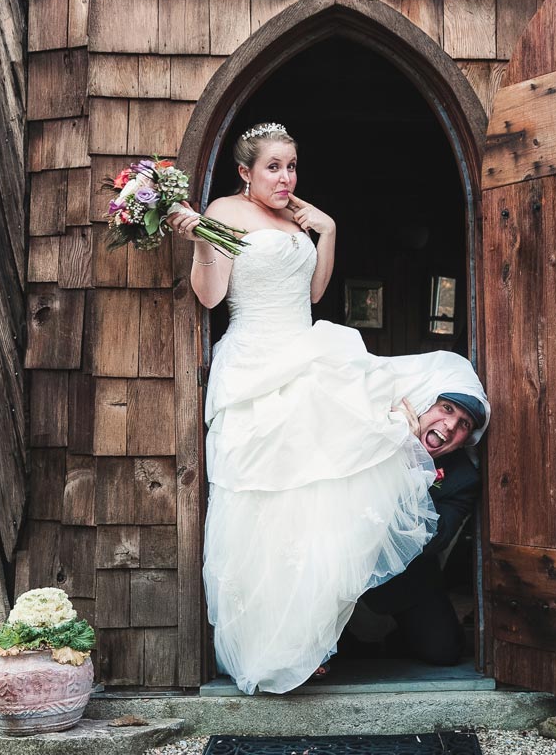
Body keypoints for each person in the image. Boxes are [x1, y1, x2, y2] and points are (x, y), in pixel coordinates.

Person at [170, 122, 481, 695]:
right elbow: (211, 296)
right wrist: (201, 239)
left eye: (291, 166)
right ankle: (272, 645)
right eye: (273, 167)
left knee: (317, 500)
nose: (286, 178)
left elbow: (314, 293)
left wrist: (329, 231)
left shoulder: (297, 217)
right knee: (267, 504)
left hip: (307, 353)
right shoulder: (224, 212)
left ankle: (311, 636)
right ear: (245, 172)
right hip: (257, 365)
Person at [358, 389, 488, 666]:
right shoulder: (372, 433)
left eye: (464, 424)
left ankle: (396, 638)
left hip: (405, 578)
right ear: (425, 405)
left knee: (444, 651)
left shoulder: (463, 478)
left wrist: (412, 461)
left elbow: (434, 540)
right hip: (337, 564)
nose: (451, 425)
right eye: (447, 409)